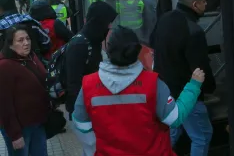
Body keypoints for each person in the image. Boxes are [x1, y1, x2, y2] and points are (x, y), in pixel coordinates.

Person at [72, 26, 205, 155]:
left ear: (108, 49)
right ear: (137, 50)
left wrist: (94, 149)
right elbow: (174, 118)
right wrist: (193, 86)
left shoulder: (88, 85)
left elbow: (81, 123)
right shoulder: (153, 83)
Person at [151, 0, 216, 156]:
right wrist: (210, 88)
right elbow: (200, 68)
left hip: (166, 92)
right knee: (202, 135)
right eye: (204, 2)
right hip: (187, 95)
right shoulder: (194, 31)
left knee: (172, 132)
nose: (206, 5)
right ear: (195, 5)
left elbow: (153, 45)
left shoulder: (164, 19)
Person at [64, 1, 117, 155]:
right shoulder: (80, 44)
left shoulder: (92, 41)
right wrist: (79, 114)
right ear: (97, 22)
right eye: (107, 24)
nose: (109, 28)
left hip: (94, 106)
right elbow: (73, 84)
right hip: (85, 110)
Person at [0, 25, 50, 156]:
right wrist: (15, 135)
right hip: (20, 128)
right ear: (10, 45)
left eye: (27, 38)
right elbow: (4, 104)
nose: (26, 43)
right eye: (20, 40)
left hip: (37, 122)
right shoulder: (4, 66)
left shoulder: (30, 57)